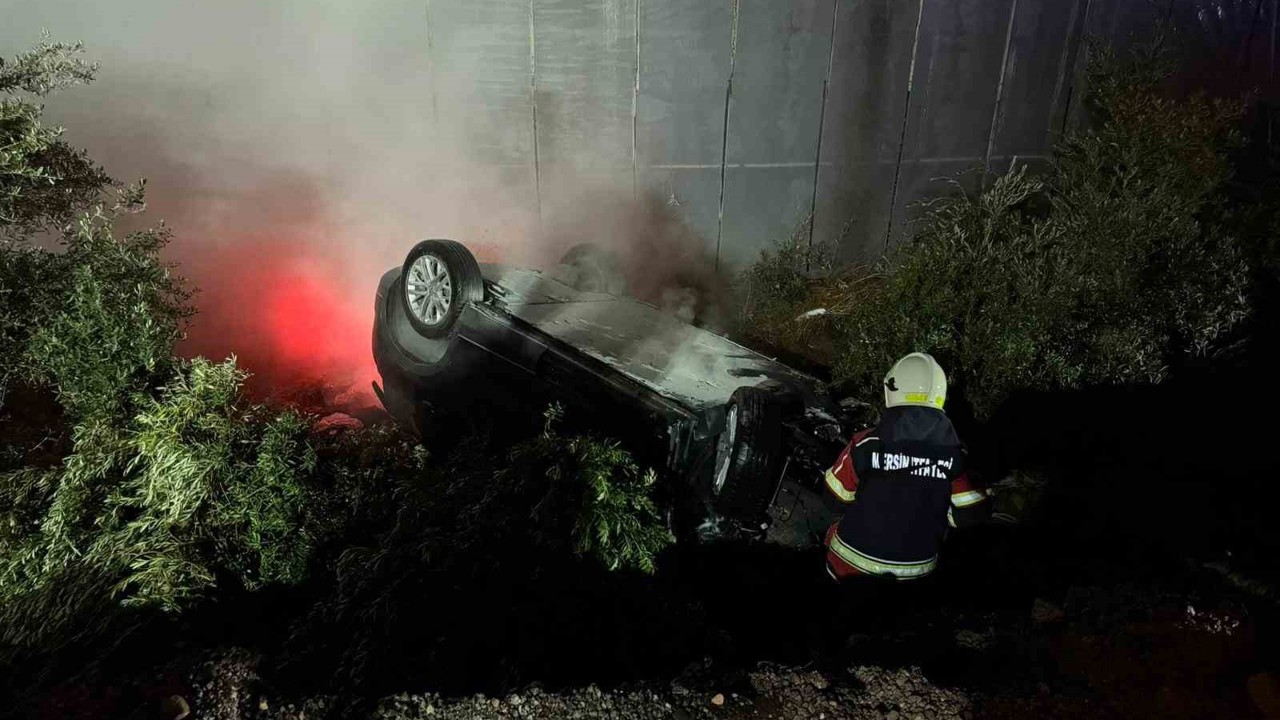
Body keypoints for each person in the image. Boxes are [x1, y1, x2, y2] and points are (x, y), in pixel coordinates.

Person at [822, 352, 989, 581]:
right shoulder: (955, 455)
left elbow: (834, 499)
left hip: (848, 567)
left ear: (892, 390)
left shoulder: (865, 444)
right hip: (914, 575)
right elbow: (970, 515)